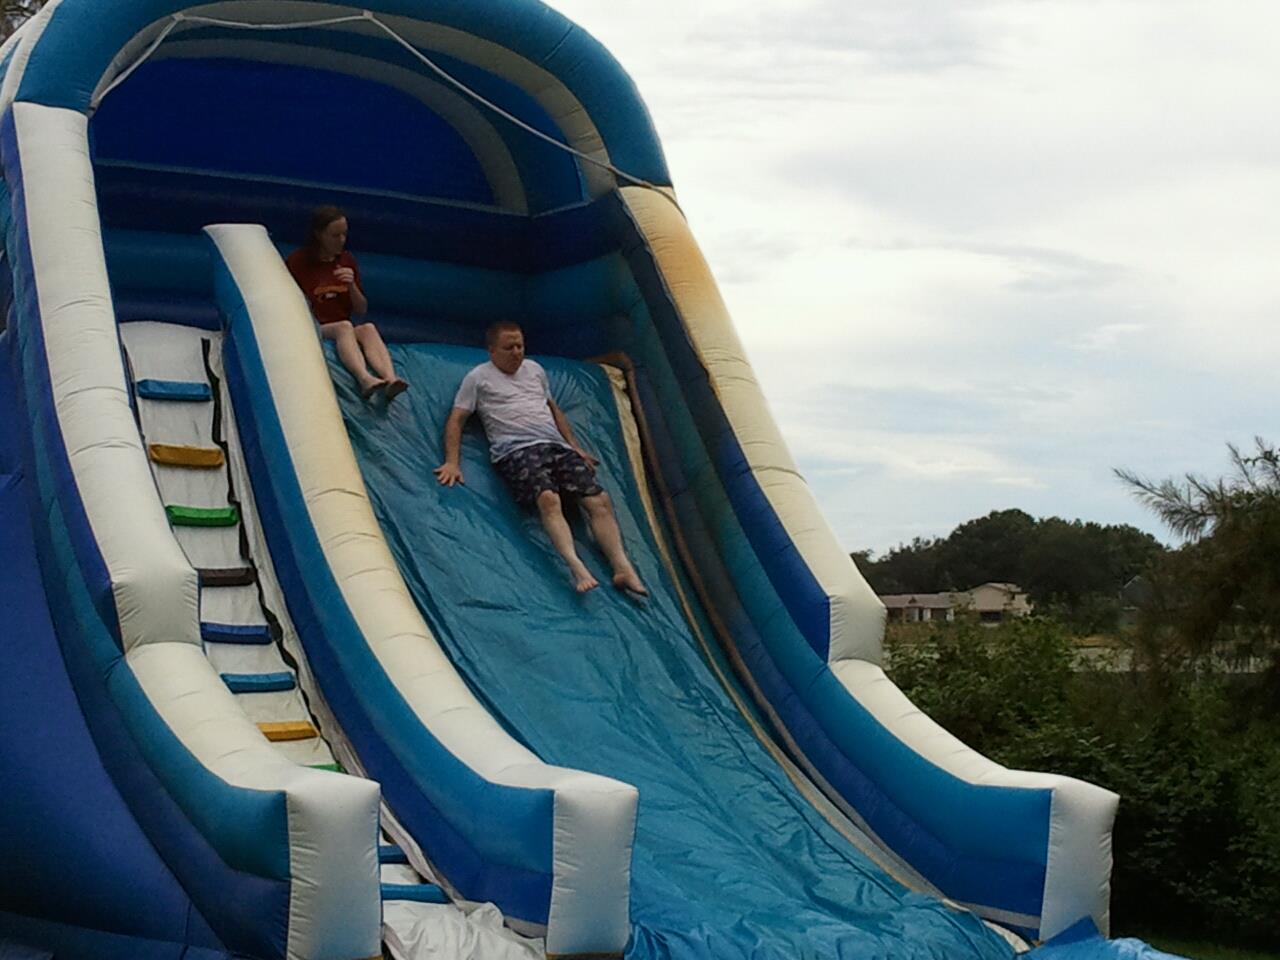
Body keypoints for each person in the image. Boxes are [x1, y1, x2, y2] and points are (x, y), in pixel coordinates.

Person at [434, 322, 647, 596]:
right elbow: (457, 419)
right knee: (548, 498)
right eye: (508, 348)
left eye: (520, 346)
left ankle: (622, 568)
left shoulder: (535, 370)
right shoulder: (478, 378)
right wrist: (452, 461)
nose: (516, 352)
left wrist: (574, 446)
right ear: (492, 350)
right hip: (516, 449)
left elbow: (553, 408)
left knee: (599, 501)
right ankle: (577, 567)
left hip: (555, 446)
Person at [286, 206, 408, 400]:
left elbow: (361, 309)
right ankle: (364, 378)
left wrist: (351, 285)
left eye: (344, 234)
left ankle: (390, 378)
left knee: (367, 328)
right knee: (343, 327)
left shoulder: (346, 260)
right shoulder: (299, 261)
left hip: (343, 325)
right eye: (335, 236)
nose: (341, 240)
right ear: (319, 235)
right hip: (315, 326)